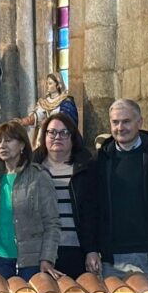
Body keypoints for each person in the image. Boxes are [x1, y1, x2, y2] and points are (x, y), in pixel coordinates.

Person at [80, 99, 148, 278]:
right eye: (115, 122)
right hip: (113, 258)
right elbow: (90, 209)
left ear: (139, 123)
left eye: (126, 121)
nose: (120, 127)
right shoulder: (99, 162)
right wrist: (91, 249)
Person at [0, 120, 61, 280]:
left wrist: (47, 258)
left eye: (8, 141)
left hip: (31, 261)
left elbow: (52, 223)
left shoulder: (38, 177)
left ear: (22, 145)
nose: (2, 145)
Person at [33, 113, 92, 278]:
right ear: (44, 136)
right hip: (42, 250)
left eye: (64, 132)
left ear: (73, 137)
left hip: (76, 247)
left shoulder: (86, 168)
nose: (57, 137)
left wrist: (92, 249)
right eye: (51, 132)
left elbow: (93, 213)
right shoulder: (32, 169)